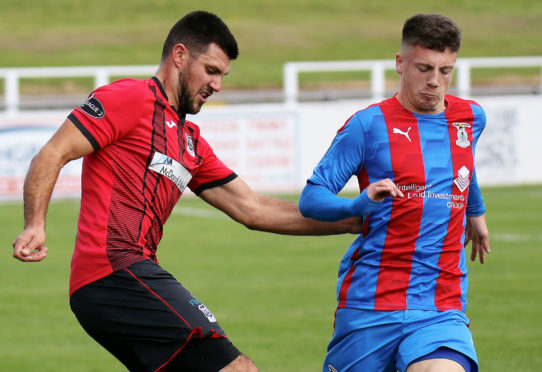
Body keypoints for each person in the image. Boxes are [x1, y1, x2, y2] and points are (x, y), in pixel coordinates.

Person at [12, 11, 362, 372]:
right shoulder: (128, 98)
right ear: (179, 56)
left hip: (125, 281)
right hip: (113, 272)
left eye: (223, 76)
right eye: (211, 71)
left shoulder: (190, 143)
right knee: (237, 368)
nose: (218, 85)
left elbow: (255, 209)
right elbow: (53, 153)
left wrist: (353, 220)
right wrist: (34, 223)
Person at [299, 13, 490, 372]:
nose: (435, 81)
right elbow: (311, 199)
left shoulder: (470, 118)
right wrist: (358, 204)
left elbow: (465, 165)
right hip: (370, 302)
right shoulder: (367, 126)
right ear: (400, 63)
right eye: (424, 68)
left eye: (445, 70)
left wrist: (475, 213)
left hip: (440, 306)